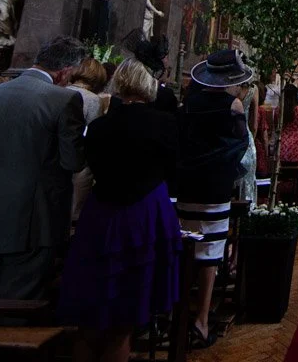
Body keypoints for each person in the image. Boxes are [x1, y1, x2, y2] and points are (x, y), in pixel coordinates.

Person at [58, 59, 182, 362]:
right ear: (148, 86)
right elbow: (175, 167)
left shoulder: (99, 127)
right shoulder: (165, 124)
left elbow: (88, 164)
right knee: (126, 316)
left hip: (102, 213)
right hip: (145, 212)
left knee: (90, 314)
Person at [0, 36, 88, 300]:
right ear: (65, 71)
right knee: (16, 306)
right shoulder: (64, 100)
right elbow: (72, 161)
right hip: (33, 222)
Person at [174, 49, 251, 349]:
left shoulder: (188, 104)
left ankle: (181, 311)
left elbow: (180, 140)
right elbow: (240, 142)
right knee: (210, 251)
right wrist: (225, 167)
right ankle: (202, 319)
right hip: (216, 183)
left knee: (186, 244)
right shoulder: (232, 104)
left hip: (188, 182)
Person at [69, 58, 109, 223]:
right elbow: (94, 132)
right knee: (74, 211)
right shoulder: (93, 99)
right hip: (80, 160)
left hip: (57, 155)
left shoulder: (61, 90)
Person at [278, 83, 298, 204]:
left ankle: (281, 197)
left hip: (283, 141)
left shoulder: (280, 110)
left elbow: (276, 126)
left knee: (282, 171)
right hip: (296, 142)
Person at [235, 83, 258, 207]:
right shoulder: (253, 90)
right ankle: (248, 207)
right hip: (246, 135)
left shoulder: (230, 87)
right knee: (248, 178)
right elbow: (254, 125)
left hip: (231, 135)